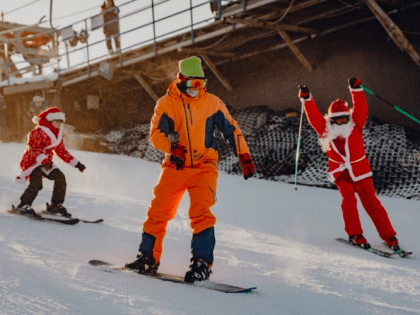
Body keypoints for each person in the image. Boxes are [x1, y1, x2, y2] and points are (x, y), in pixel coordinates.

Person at [126, 56, 256, 282]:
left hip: (204, 167)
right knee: (158, 212)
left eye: (202, 84)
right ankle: (147, 257)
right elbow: (156, 135)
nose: (198, 89)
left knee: (201, 213)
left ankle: (201, 264)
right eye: (193, 85)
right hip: (175, 166)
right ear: (181, 80)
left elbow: (232, 129)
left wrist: (243, 154)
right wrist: (172, 148)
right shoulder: (166, 104)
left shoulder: (212, 103)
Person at [298, 78, 401, 251]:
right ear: (331, 121)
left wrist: (355, 89)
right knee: (349, 201)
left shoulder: (356, 125)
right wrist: (307, 98)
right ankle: (355, 234)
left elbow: (361, 108)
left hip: (360, 171)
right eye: (337, 120)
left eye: (344, 119)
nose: (342, 123)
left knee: (372, 203)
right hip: (340, 172)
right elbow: (314, 116)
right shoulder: (326, 129)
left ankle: (389, 236)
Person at [14, 107, 86, 218]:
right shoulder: (38, 132)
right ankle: (23, 205)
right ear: (50, 120)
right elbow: (33, 149)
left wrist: (77, 164)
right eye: (57, 121)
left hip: (46, 162)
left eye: (61, 122)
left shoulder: (57, 135)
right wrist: (43, 160)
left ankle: (56, 205)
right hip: (33, 162)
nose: (59, 124)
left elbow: (61, 151)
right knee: (37, 184)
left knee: (60, 177)